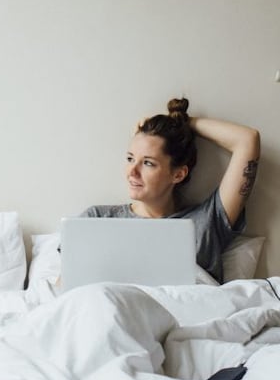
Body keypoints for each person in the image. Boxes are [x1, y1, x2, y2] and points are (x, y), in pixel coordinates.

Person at [82, 97, 260, 284]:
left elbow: (247, 140)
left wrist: (185, 123)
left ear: (178, 174)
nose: (132, 172)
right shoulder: (97, 220)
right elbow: (69, 292)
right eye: (130, 158)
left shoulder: (205, 221)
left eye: (148, 163)